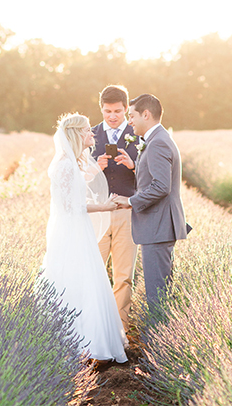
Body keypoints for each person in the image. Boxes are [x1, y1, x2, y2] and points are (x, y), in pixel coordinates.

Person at [40, 112, 128, 362]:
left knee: (87, 280)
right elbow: (71, 206)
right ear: (77, 134)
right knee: (78, 281)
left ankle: (87, 341)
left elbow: (77, 197)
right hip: (72, 232)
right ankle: (80, 343)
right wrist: (105, 207)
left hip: (79, 230)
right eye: (88, 130)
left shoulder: (72, 163)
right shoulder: (66, 165)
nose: (92, 134)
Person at [113, 94, 188, 311]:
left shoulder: (158, 143)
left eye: (132, 115)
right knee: (160, 291)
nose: (130, 121)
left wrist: (131, 201)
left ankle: (155, 339)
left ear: (146, 114)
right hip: (158, 226)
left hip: (158, 227)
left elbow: (162, 186)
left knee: (158, 296)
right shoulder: (157, 140)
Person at [91, 84, 138, 330]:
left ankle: (121, 330)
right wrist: (93, 169)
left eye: (118, 111)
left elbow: (154, 179)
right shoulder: (88, 135)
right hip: (97, 216)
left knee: (124, 277)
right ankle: (97, 328)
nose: (112, 116)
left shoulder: (138, 134)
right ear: (101, 108)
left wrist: (133, 166)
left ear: (126, 109)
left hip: (126, 214)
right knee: (95, 273)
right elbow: (76, 181)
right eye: (107, 111)